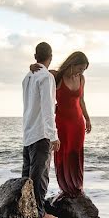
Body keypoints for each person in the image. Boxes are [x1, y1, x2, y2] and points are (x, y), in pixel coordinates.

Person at [31, 51, 91, 198]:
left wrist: (87, 119)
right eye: (80, 68)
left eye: (83, 69)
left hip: (77, 122)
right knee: (62, 153)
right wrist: (32, 66)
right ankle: (65, 187)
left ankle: (77, 186)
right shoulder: (56, 76)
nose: (81, 72)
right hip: (62, 122)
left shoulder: (81, 79)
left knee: (76, 154)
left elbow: (81, 100)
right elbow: (40, 70)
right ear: (72, 64)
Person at [21, 42, 60, 218]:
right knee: (40, 176)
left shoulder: (28, 77)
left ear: (35, 56)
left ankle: (26, 210)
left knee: (27, 177)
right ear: (50, 57)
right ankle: (39, 214)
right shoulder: (45, 77)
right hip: (41, 133)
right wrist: (53, 136)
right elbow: (46, 108)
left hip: (28, 133)